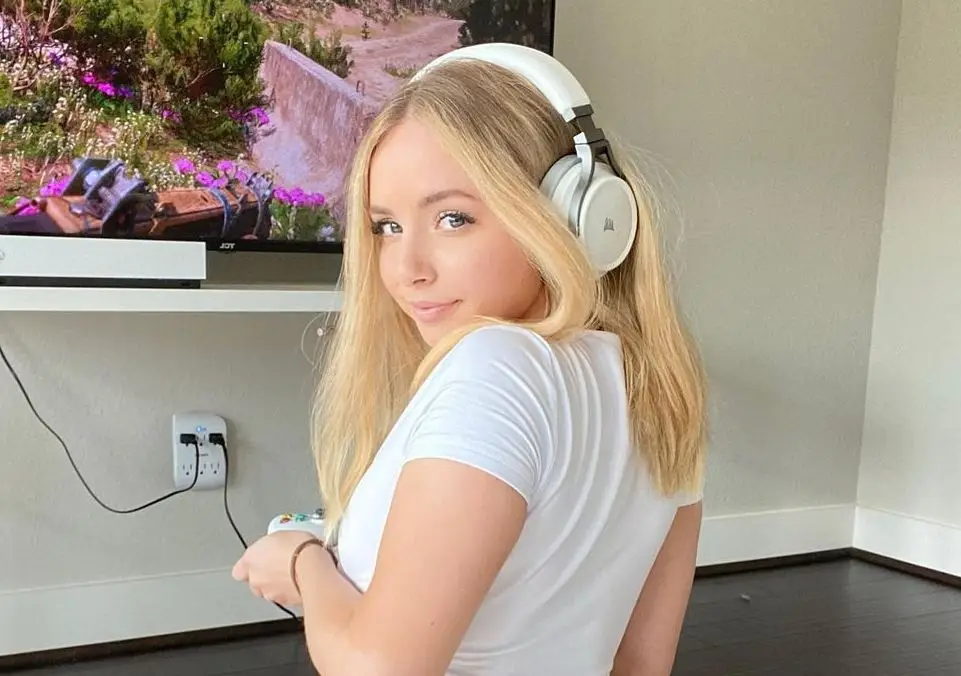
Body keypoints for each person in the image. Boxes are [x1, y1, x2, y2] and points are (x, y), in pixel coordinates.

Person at [232, 43, 708, 676]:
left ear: (570, 216)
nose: (406, 269)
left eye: (453, 218)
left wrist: (301, 563)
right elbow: (642, 664)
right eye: (386, 227)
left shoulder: (497, 367)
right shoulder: (656, 388)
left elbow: (380, 670)